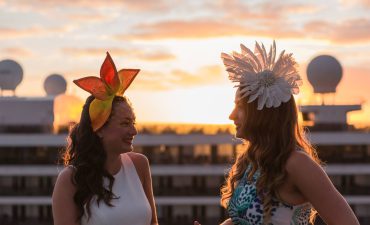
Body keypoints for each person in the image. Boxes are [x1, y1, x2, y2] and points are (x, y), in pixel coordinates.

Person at [195, 41, 359, 225]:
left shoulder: (297, 163)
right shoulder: (250, 163)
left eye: (239, 107)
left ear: (262, 113)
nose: (231, 115)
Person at [52, 52, 158, 225]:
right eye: (125, 124)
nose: (134, 131)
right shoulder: (70, 180)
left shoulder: (139, 165)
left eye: (133, 122)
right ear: (99, 129)